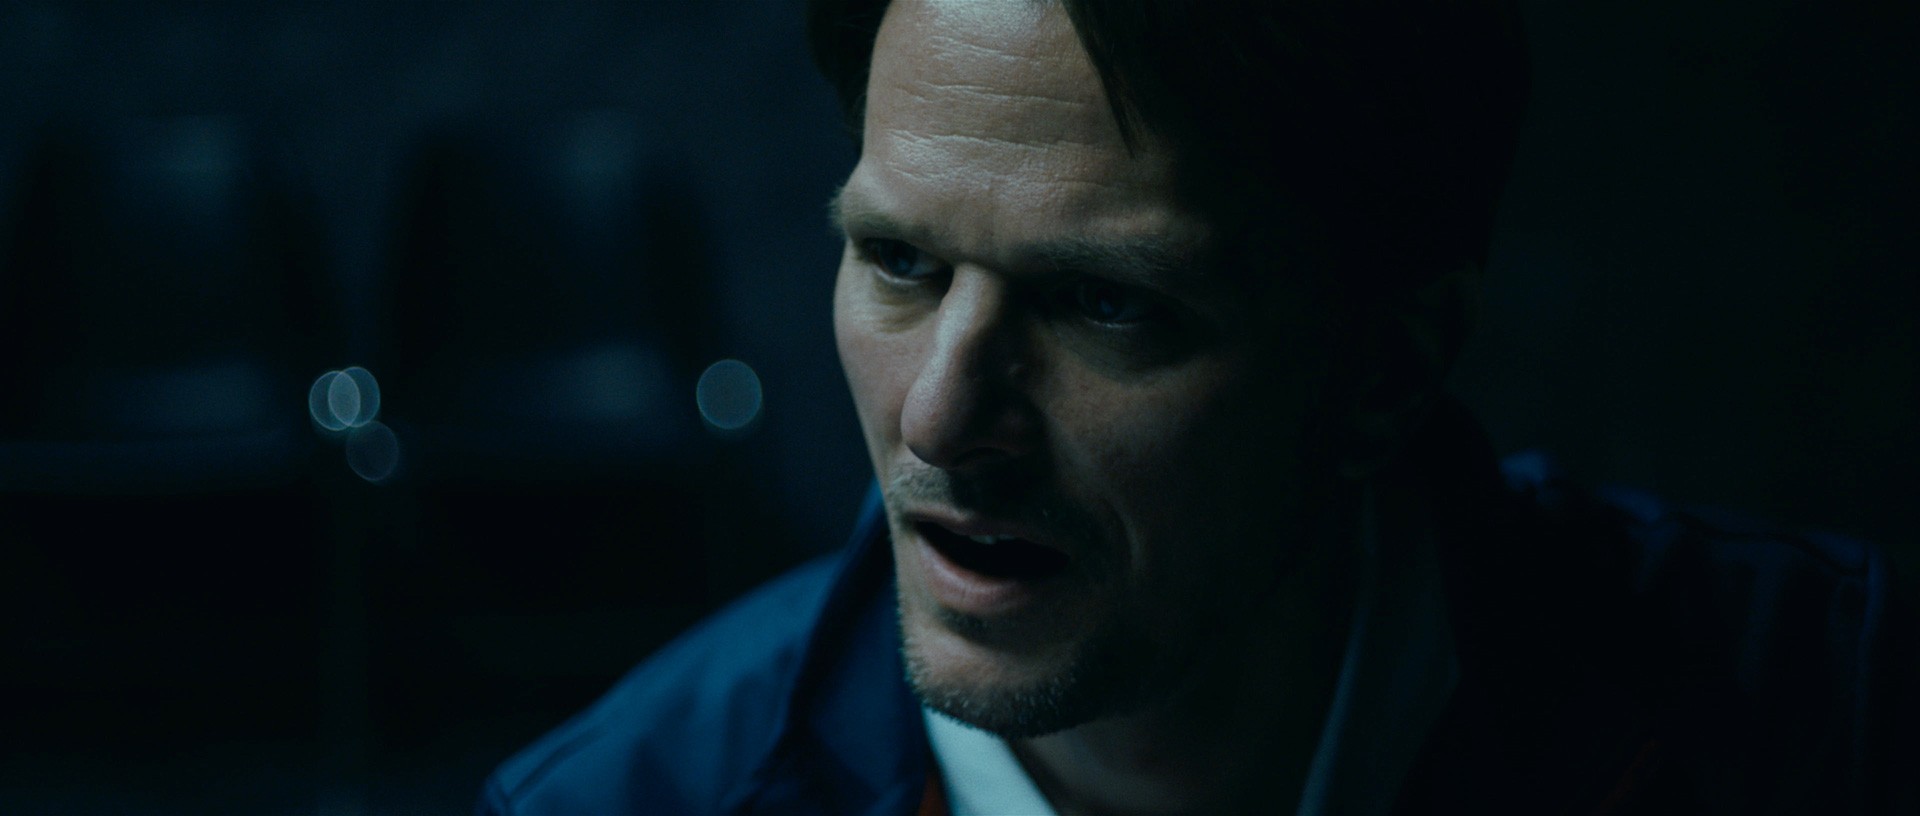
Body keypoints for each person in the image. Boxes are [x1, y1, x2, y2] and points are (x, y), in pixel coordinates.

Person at [478, 0, 1912, 813]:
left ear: (1388, 367)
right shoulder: (625, 802)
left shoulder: (1837, 719)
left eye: (1104, 302)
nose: (939, 418)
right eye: (901, 263)